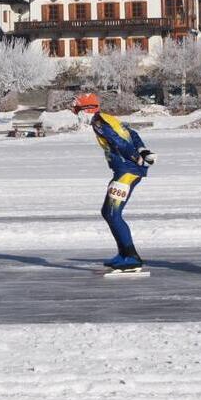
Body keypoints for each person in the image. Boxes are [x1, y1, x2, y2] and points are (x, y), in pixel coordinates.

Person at [72, 93, 156, 272]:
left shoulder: (98, 123)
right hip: (126, 170)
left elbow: (117, 141)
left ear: (86, 110)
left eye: (77, 110)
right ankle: (123, 253)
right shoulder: (108, 118)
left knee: (112, 213)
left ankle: (131, 257)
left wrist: (135, 157)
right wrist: (143, 150)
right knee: (107, 212)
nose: (76, 114)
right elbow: (132, 133)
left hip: (127, 171)